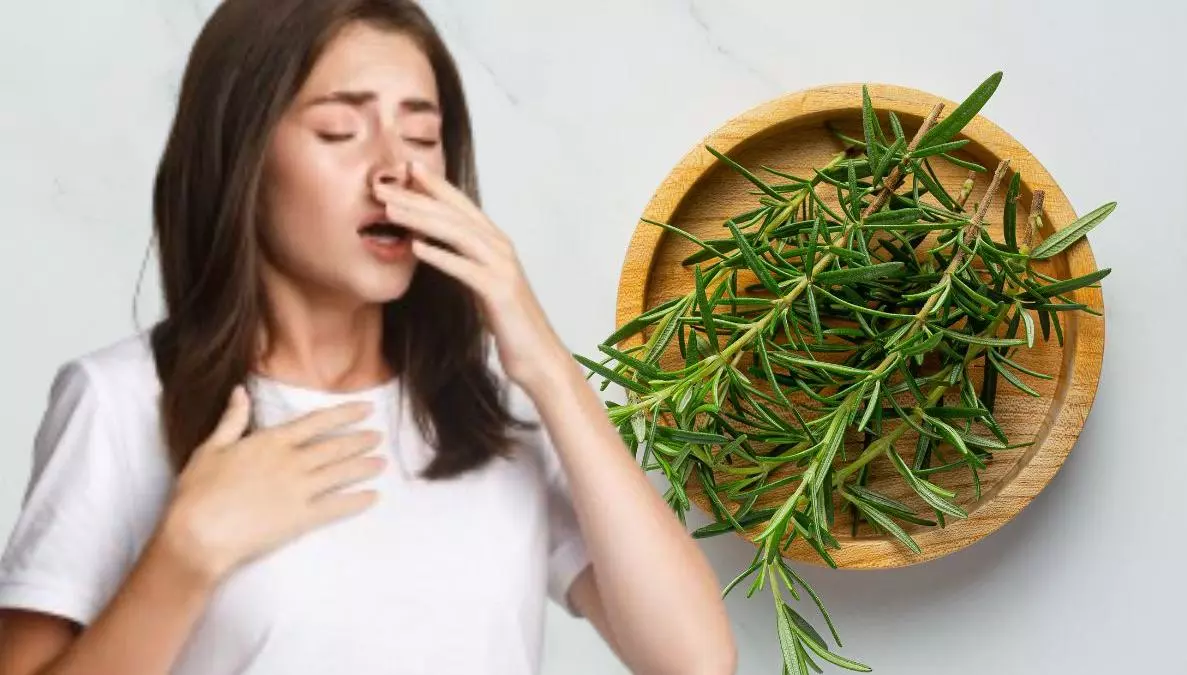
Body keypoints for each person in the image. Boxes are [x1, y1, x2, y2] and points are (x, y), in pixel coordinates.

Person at [0, 1, 737, 674]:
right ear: (242, 155)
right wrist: (185, 555)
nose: (397, 169)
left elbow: (695, 663)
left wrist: (544, 361)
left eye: (423, 133)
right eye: (339, 131)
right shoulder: (122, 402)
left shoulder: (488, 404)